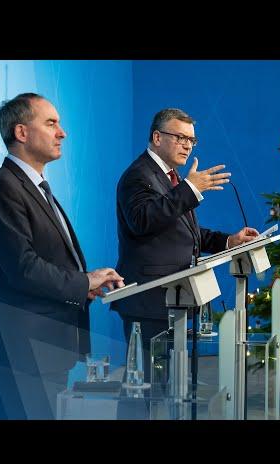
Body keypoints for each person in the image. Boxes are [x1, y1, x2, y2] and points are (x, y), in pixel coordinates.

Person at [0, 93, 124, 419]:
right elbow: (23, 268)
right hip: (21, 352)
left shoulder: (35, 187)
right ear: (22, 133)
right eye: (51, 123)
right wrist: (84, 280)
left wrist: (83, 284)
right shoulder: (3, 187)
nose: (63, 132)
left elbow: (46, 260)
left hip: (44, 350)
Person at [111, 108, 259, 382]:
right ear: (157, 137)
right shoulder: (138, 176)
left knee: (165, 387)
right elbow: (142, 221)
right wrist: (190, 188)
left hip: (173, 299)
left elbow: (185, 233)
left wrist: (229, 240)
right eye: (180, 137)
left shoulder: (172, 178)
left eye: (192, 140)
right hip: (149, 300)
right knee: (143, 391)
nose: (187, 145)